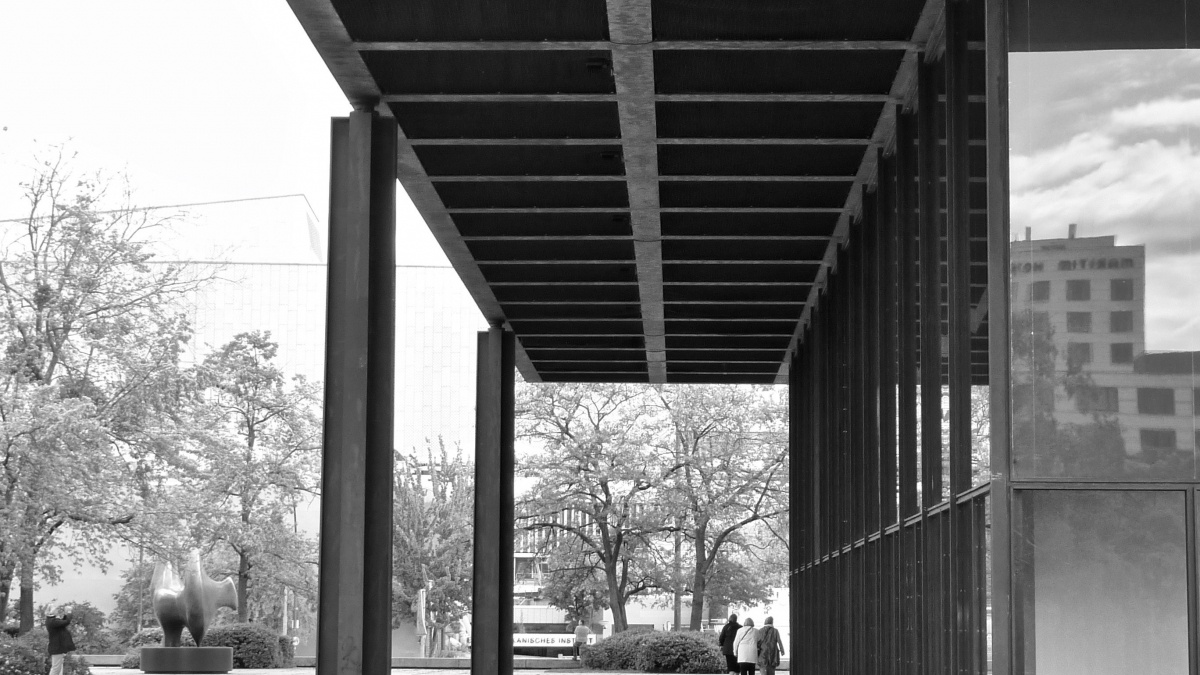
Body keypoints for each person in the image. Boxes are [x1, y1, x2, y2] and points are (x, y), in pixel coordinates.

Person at [45, 605, 76, 675]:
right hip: (57, 647)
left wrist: (65, 614)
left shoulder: (52, 620)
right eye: (56, 610)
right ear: (52, 611)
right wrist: (69, 612)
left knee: (59, 668)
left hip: (58, 647)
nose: (57, 611)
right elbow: (66, 622)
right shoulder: (53, 621)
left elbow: (63, 623)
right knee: (56, 668)